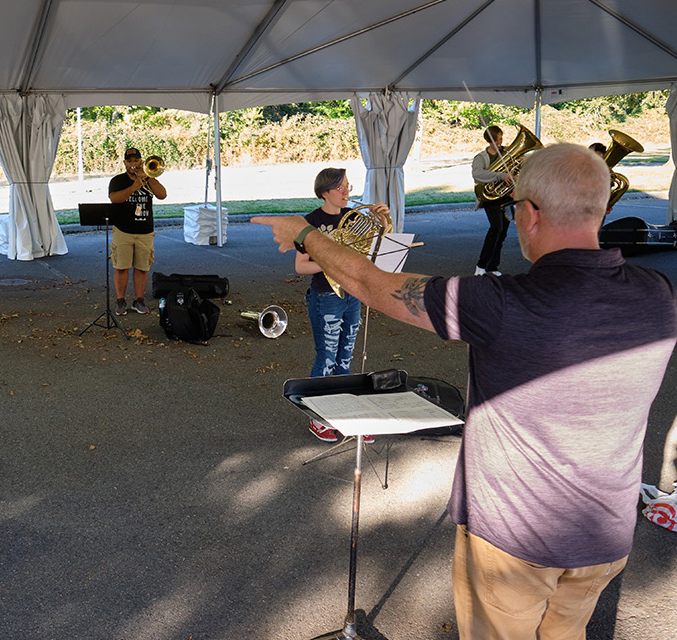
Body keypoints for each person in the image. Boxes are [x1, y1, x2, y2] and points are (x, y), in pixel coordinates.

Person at [253, 143, 677, 639]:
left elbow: (372, 284)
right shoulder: (658, 293)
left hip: (516, 538)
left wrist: (304, 233)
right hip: (605, 532)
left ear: (528, 214)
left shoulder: (500, 302)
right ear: (603, 208)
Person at [297, 168, 387, 443]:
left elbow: (372, 254)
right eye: (341, 188)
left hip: (353, 294)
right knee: (326, 358)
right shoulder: (309, 223)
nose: (348, 192)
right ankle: (318, 419)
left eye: (349, 186)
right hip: (326, 296)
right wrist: (334, 262)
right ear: (325, 193)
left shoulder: (357, 219)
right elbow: (301, 267)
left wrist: (382, 222)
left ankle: (347, 416)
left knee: (345, 359)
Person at [108, 147, 167, 316]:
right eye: (129, 161)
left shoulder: (149, 177)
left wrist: (148, 178)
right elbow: (114, 199)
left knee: (142, 268)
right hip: (123, 230)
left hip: (145, 230)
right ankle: (120, 301)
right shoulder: (118, 180)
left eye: (136, 161)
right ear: (125, 163)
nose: (133, 164)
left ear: (141, 161)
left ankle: (139, 300)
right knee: (121, 267)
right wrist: (134, 186)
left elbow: (162, 195)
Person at [472, 125, 514, 276]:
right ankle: (481, 266)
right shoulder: (481, 158)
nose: (501, 142)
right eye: (498, 139)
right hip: (490, 198)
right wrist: (501, 176)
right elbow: (477, 174)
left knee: (502, 233)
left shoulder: (506, 153)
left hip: (506, 196)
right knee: (496, 228)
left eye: (501, 139)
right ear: (490, 140)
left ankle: (493, 267)